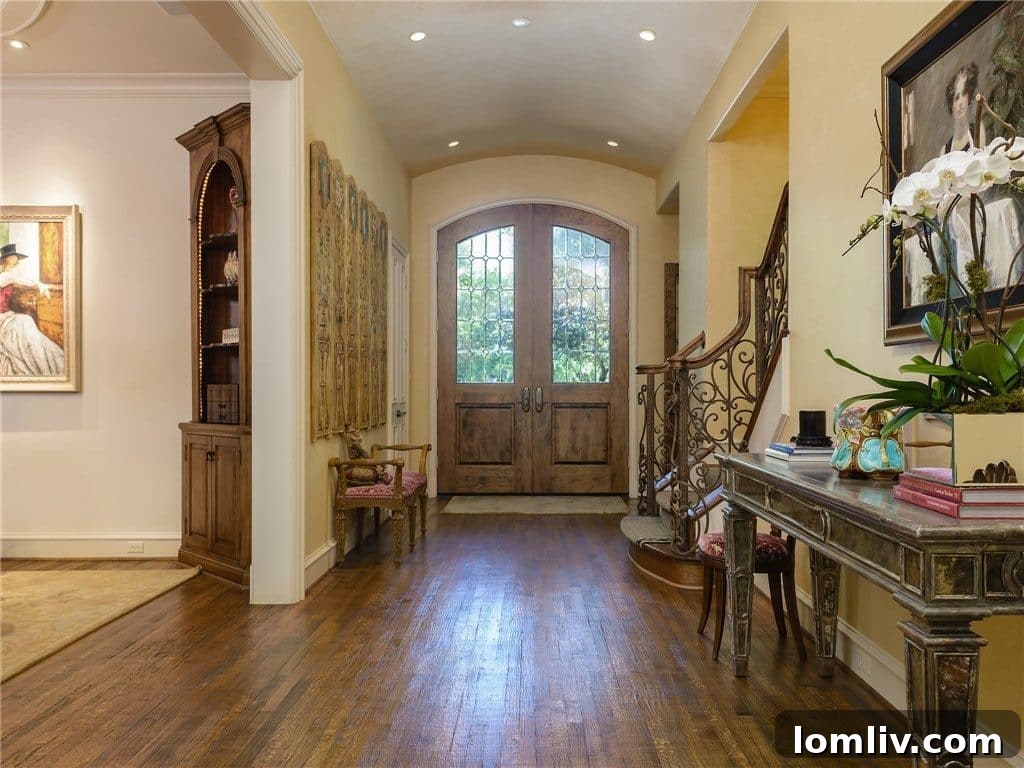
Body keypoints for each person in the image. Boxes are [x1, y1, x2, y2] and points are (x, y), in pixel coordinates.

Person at [0, 284, 65, 376]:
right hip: (10, 326)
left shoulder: (20, 318)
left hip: (13, 320)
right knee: (21, 323)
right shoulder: (19, 321)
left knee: (25, 324)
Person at [0, 243, 49, 313]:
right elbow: (26, 282)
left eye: (15, 257)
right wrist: (39, 284)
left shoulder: (9, 275)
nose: (15, 259)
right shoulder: (6, 276)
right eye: (12, 258)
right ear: (6, 260)